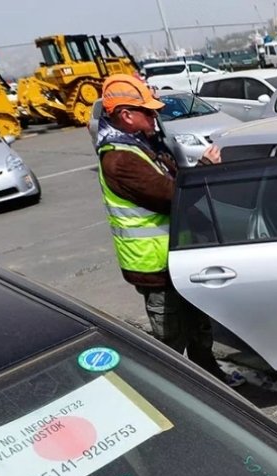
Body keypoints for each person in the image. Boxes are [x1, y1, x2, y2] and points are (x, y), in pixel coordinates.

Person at [94, 73, 246, 387]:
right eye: (148, 111)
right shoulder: (120, 159)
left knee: (197, 324)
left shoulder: (141, 146)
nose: (155, 116)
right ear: (126, 115)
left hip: (177, 259)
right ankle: (172, 394)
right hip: (155, 266)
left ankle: (211, 378)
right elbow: (173, 196)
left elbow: (174, 179)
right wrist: (204, 169)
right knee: (172, 338)